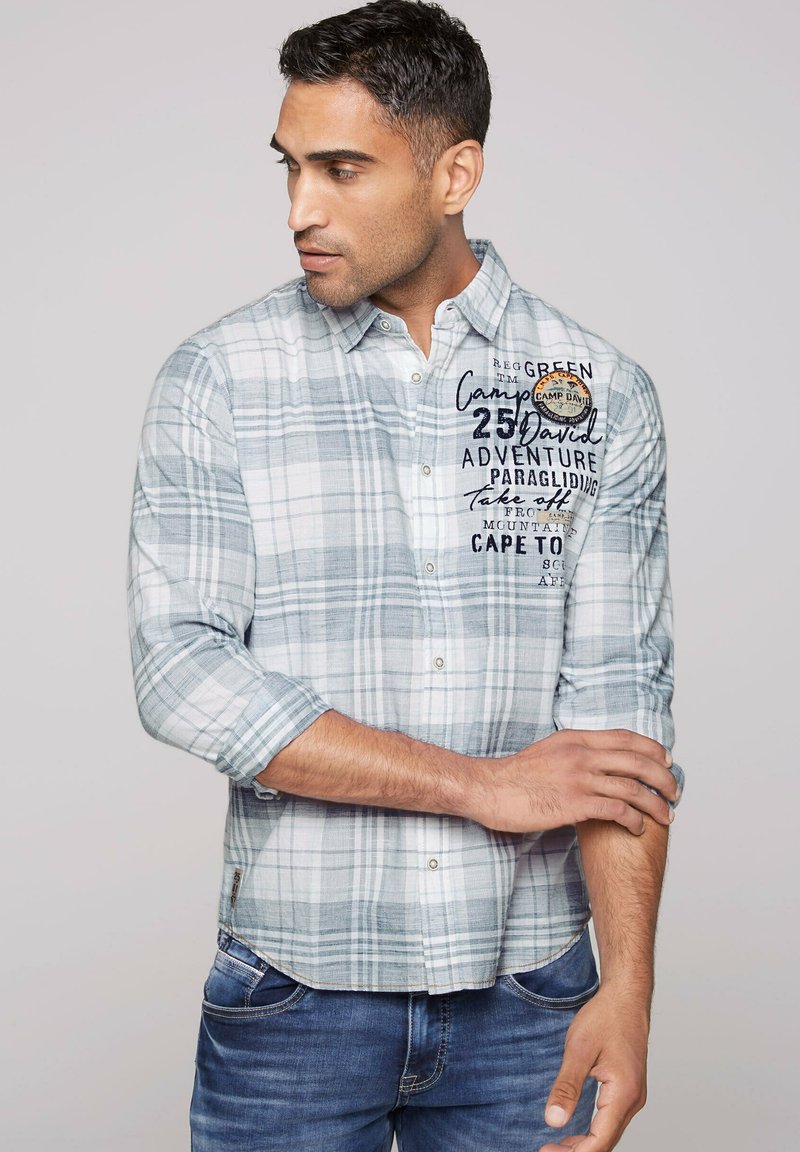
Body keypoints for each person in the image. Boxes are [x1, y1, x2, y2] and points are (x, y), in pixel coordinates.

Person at [127, 2, 685, 1149]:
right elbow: (181, 674)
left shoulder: (599, 393)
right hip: (293, 991)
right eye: (289, 167)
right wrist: (477, 785)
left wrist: (627, 989)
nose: (300, 209)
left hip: (531, 994)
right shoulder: (218, 378)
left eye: (341, 169)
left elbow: (619, 722)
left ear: (453, 174)